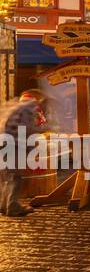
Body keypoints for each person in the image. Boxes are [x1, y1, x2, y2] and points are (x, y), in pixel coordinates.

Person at [0, 90, 51, 218]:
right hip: (12, 146)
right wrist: (43, 129)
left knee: (5, 177)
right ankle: (12, 207)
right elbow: (28, 129)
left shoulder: (13, 107)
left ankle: (3, 204)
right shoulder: (28, 109)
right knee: (15, 177)